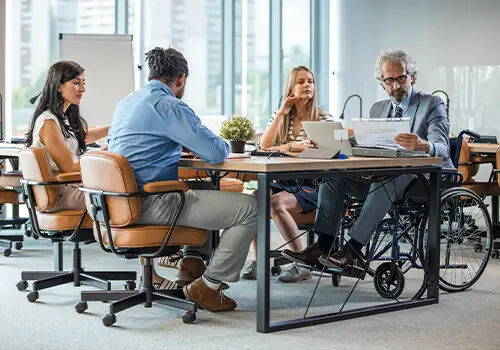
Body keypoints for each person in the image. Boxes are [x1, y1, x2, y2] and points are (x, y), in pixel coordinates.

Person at [107, 47, 257, 312]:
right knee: (250, 208)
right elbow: (215, 151)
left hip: (116, 204)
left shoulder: (127, 102)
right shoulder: (169, 106)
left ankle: (190, 266)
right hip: (150, 202)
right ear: (181, 79)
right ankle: (208, 287)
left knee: (201, 186)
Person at [282, 49, 453, 271]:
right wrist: (342, 143)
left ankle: (352, 251)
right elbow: (371, 146)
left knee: (385, 181)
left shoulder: (432, 103)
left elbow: (443, 148)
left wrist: (423, 145)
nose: (395, 85)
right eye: (389, 80)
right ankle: (323, 247)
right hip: (382, 174)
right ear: (381, 82)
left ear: (412, 76)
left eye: (401, 78)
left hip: (421, 179)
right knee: (333, 179)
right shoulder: (378, 108)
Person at [241, 66, 330, 283]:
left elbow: (320, 149)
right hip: (285, 180)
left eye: (310, 81)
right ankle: (259, 261)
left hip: (313, 184)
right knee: (254, 200)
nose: (307, 85)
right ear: (291, 87)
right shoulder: (282, 116)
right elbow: (264, 145)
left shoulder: (323, 119)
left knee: (275, 204)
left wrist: (286, 147)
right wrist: (281, 112)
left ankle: (303, 263)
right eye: (301, 81)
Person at [25, 60, 109, 212]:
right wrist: (107, 152)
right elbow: (70, 169)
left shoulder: (61, 117)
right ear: (58, 86)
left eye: (83, 83)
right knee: (120, 197)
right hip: (62, 193)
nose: (82, 89)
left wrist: (115, 129)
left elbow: (81, 136)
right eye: (76, 83)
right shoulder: (49, 122)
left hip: (68, 187)